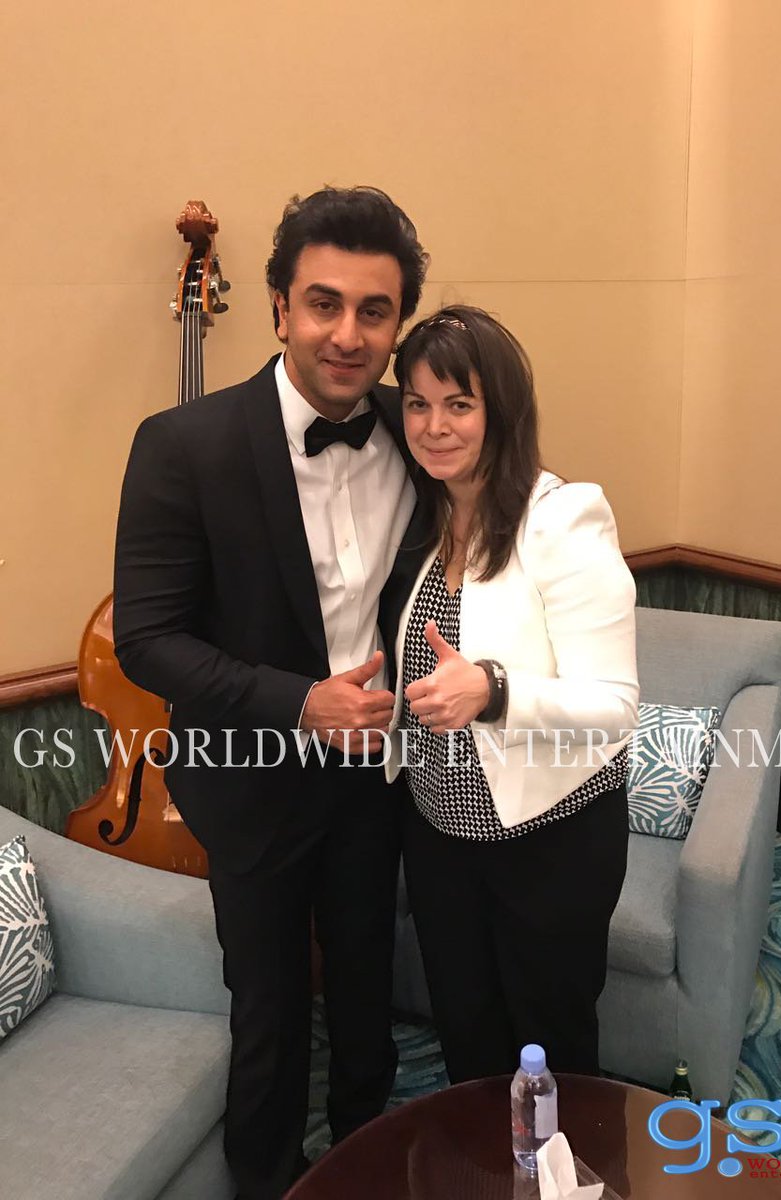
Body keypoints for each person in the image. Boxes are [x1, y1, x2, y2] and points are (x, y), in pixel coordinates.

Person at [113, 186, 430, 1200]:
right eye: (324, 304)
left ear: (399, 324)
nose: (348, 334)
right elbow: (146, 640)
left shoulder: (419, 432)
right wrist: (299, 703)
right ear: (281, 306)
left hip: (377, 774)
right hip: (250, 777)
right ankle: (266, 1180)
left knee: (369, 990)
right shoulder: (183, 444)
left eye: (374, 311)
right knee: (271, 1009)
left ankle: (371, 1163)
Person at [386, 305, 639, 1083]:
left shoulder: (561, 520)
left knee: (551, 1048)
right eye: (418, 403)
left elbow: (615, 707)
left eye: (459, 404)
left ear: (501, 410)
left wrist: (494, 690)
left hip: (549, 841)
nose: (434, 426)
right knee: (467, 1038)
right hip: (439, 835)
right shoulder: (424, 516)